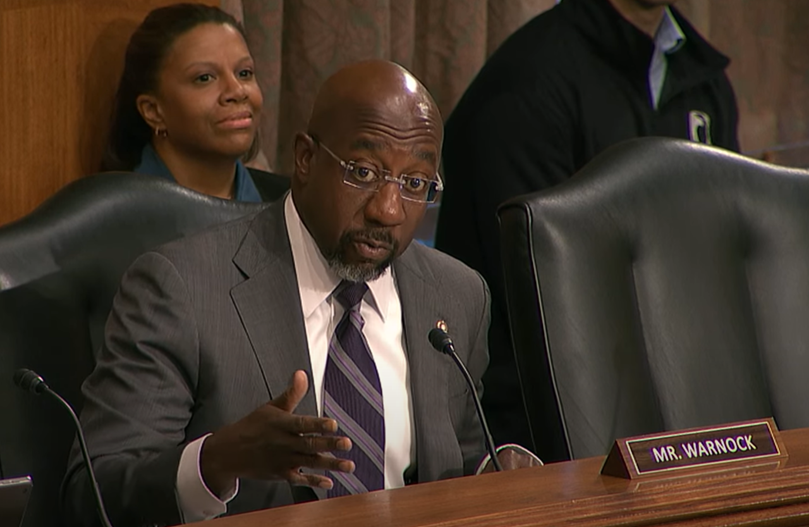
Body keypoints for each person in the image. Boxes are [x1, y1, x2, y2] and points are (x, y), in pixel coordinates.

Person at [63, 60, 493, 526]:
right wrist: (214, 463)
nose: (388, 211)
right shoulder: (180, 288)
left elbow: (465, 470)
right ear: (305, 159)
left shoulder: (457, 294)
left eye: (414, 184)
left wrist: (498, 473)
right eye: (364, 172)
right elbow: (93, 494)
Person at [434, 0, 741, 453]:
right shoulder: (530, 80)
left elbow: (726, 250)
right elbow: (536, 291)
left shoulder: (704, 78)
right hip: (544, 424)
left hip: (677, 403)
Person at [103, 3, 288, 202]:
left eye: (244, 73)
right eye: (204, 78)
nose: (237, 91)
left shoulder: (289, 206)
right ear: (153, 111)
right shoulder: (115, 217)